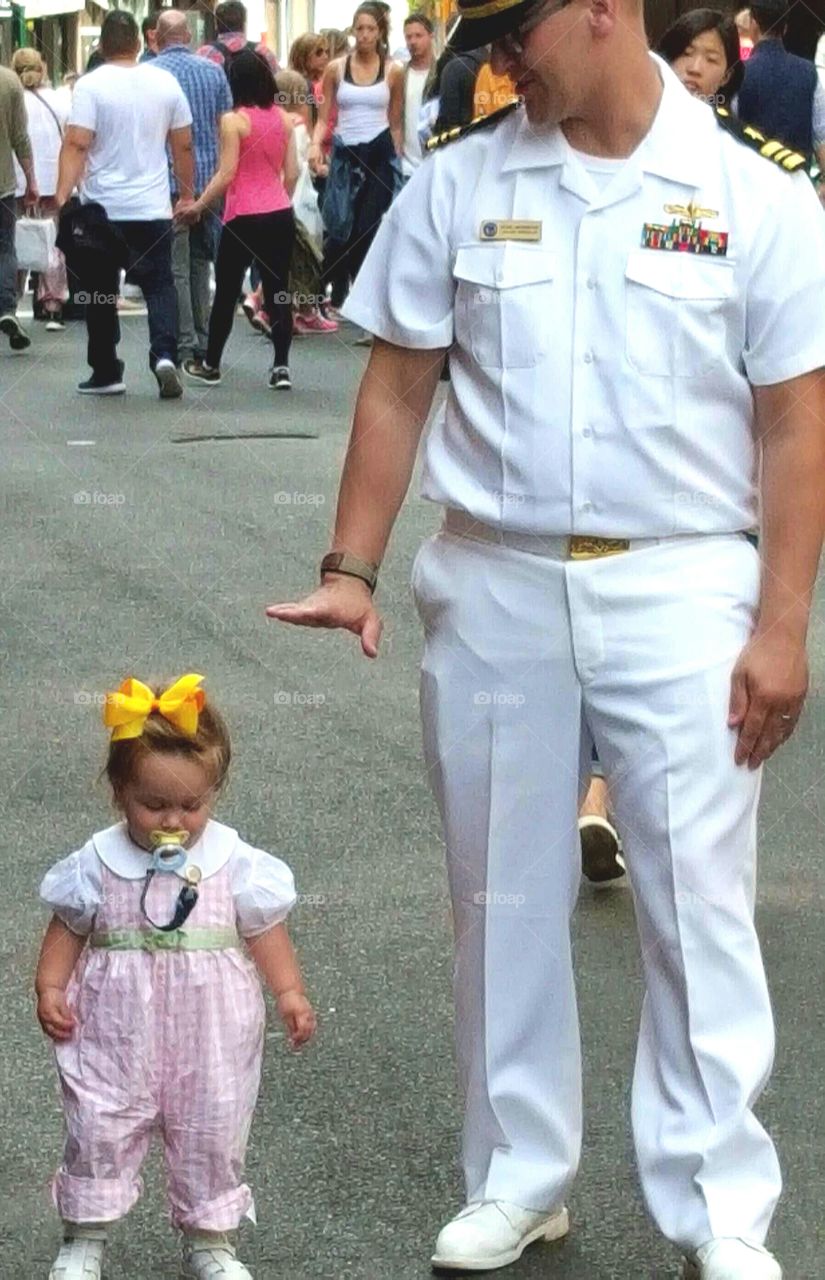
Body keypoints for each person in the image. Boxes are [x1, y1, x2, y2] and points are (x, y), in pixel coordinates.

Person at [267, 0, 825, 1276]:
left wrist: (783, 621)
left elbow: (797, 421)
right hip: (497, 576)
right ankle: (520, 1176)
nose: (503, 61)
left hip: (684, 579)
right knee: (500, 894)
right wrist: (350, 566)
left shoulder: (755, 195)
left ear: (603, 12)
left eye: (521, 33)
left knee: (699, 900)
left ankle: (717, 1203)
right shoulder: (457, 185)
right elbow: (400, 380)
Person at [36, 673, 315, 1280]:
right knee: (99, 1122)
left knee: (213, 1125)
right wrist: (51, 986)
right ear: (119, 792)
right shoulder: (98, 860)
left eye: (193, 805)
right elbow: (70, 927)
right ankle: (85, 1236)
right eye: (154, 804)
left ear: (214, 792)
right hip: (115, 1026)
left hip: (211, 1031)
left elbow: (265, 931)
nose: (176, 820)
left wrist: (289, 991)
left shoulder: (233, 860)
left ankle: (212, 1241)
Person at [55, 9, 194, 398]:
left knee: (100, 291)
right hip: (151, 207)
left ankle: (106, 371)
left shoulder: (91, 86)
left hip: (104, 210)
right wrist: (186, 194)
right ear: (139, 42)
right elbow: (182, 143)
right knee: (159, 284)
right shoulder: (165, 83)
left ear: (101, 45)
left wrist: (62, 195)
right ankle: (165, 354)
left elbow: (78, 143)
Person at [178, 48, 298, 390]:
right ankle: (281, 367)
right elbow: (292, 172)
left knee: (228, 290)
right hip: (278, 213)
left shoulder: (234, 121)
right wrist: (279, 198)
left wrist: (199, 205)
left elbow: (227, 173)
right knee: (278, 291)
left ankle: (211, 363)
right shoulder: (284, 119)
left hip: (242, 215)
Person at [309, 2, 403, 311]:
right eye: (359, 28)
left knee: (367, 229)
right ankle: (309, 291)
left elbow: (396, 121)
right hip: (345, 154)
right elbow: (323, 117)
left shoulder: (393, 70)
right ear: (353, 31)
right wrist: (314, 146)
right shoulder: (337, 68)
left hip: (378, 153)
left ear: (380, 33)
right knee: (338, 230)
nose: (364, 35)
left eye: (370, 29)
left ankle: (363, 306)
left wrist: (399, 161)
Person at [155, 10, 233, 376]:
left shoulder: (151, 75)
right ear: (188, 35)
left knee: (177, 268)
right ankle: (204, 339)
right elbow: (225, 126)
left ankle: (185, 343)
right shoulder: (213, 71)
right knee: (203, 263)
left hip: (170, 182)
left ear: (157, 37)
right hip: (210, 180)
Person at [11, 48, 69, 332]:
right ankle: (52, 304)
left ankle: (9, 302)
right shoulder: (59, 100)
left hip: (17, 180)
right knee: (52, 240)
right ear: (42, 68)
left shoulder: (12, 99)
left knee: (12, 240)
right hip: (53, 179)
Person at [738, 1, 825, 170]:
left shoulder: (739, 74)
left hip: (750, 182)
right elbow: (822, 135)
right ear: (785, 28)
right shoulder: (808, 73)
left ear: (753, 24)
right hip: (797, 182)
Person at [0, 63, 36, 352]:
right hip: (3, 186)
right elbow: (20, 137)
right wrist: (31, 179)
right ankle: (7, 307)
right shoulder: (9, 81)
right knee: (4, 249)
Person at [658, 8, 745, 107]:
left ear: (726, 77)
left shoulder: (722, 122)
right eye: (686, 53)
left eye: (711, 59)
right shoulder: (640, 119)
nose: (695, 69)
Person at [197, 0, 279, 78]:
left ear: (216, 25)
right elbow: (278, 83)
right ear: (244, 23)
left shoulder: (204, 54)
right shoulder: (263, 53)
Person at [400, 12, 435, 179]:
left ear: (431, 36)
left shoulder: (443, 73)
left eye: (418, 36)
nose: (413, 41)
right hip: (405, 168)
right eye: (408, 37)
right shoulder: (400, 76)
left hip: (433, 164)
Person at [288, 30, 330, 127]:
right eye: (319, 52)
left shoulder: (327, 80)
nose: (325, 56)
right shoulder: (292, 83)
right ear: (303, 56)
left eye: (326, 51)